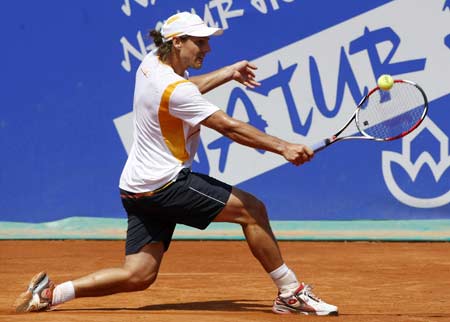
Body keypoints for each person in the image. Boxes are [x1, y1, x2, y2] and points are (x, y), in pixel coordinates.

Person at [14, 12, 338, 316]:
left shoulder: (150, 64)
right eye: (200, 42)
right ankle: (290, 293)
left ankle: (51, 294)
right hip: (166, 186)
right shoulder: (174, 87)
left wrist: (227, 73)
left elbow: (184, 89)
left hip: (135, 189)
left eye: (207, 41)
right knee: (253, 211)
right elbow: (228, 126)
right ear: (178, 42)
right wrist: (284, 147)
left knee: (139, 275)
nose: (208, 48)